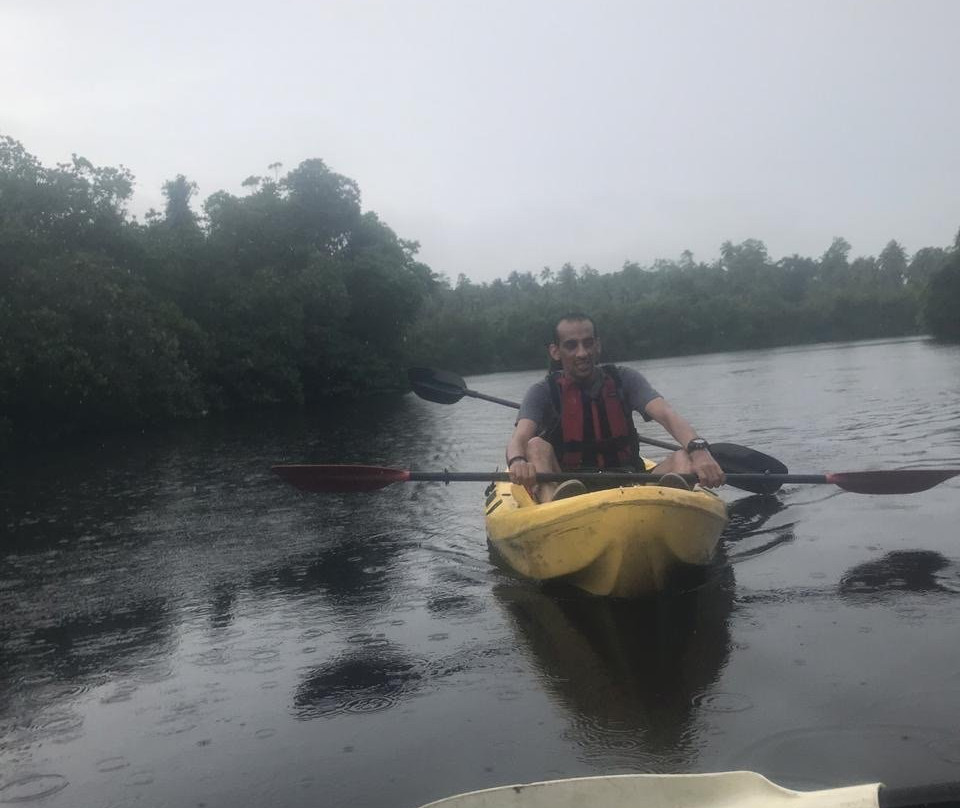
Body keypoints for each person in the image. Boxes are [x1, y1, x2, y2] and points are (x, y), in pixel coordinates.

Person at [506, 312, 725, 502]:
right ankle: (552, 506)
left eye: (588, 343)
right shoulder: (542, 391)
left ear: (598, 345)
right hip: (568, 484)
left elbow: (667, 414)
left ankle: (670, 504)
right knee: (535, 445)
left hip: (631, 481)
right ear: (555, 351)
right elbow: (520, 438)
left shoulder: (624, 379)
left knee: (683, 456)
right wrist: (517, 461)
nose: (582, 353)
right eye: (571, 345)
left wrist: (699, 450)